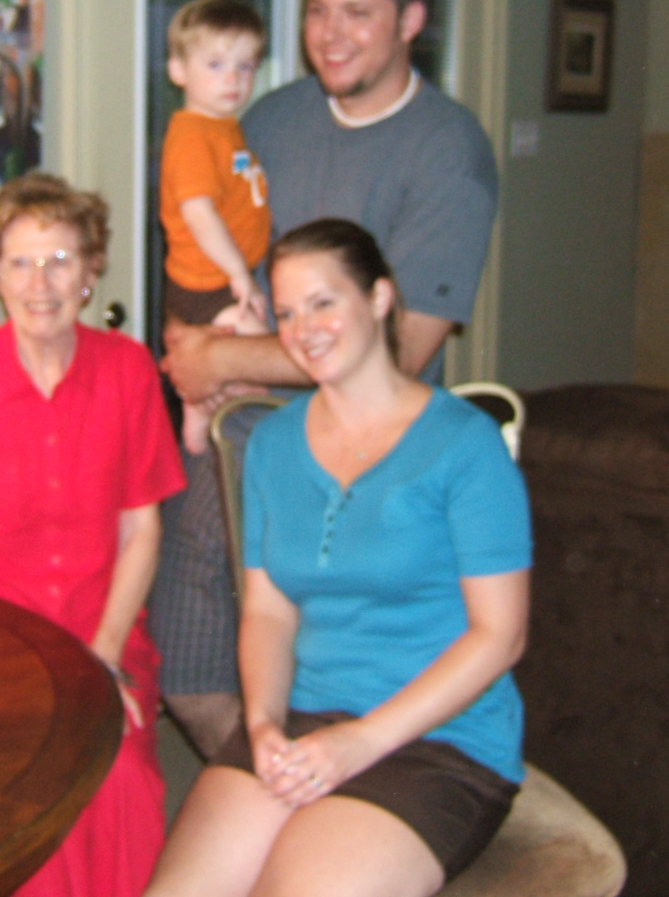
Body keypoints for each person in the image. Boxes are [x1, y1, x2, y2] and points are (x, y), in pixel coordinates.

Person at [151, 0, 501, 756]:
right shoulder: (270, 120)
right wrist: (191, 336)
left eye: (356, 12)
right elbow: (202, 249)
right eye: (315, 10)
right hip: (237, 440)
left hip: (363, 471)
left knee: (325, 700)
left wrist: (218, 357)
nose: (329, 35)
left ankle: (313, 805)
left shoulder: (447, 153)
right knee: (188, 671)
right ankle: (274, 792)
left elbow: (400, 350)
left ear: (410, 20)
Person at [146, 219, 531, 897]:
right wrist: (262, 724)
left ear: (379, 298)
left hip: (437, 739)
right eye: (287, 312)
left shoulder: (465, 446)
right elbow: (268, 612)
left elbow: (500, 637)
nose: (303, 330)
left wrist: (361, 742)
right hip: (303, 718)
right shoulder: (272, 444)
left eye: (323, 303)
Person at [0, 172, 185, 897]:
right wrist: (32, 666)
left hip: (103, 632)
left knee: (116, 777)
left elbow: (142, 532)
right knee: (17, 780)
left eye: (60, 260)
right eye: (20, 262)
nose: (39, 282)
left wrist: (102, 655)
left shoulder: (128, 370)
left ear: (91, 271)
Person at [158, 0, 272, 455]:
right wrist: (239, 274)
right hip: (209, 282)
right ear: (178, 71)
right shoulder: (192, 136)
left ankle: (201, 406)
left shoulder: (222, 127)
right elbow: (199, 214)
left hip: (220, 277)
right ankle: (198, 409)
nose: (233, 79)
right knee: (265, 357)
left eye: (245, 67)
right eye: (216, 64)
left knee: (252, 362)